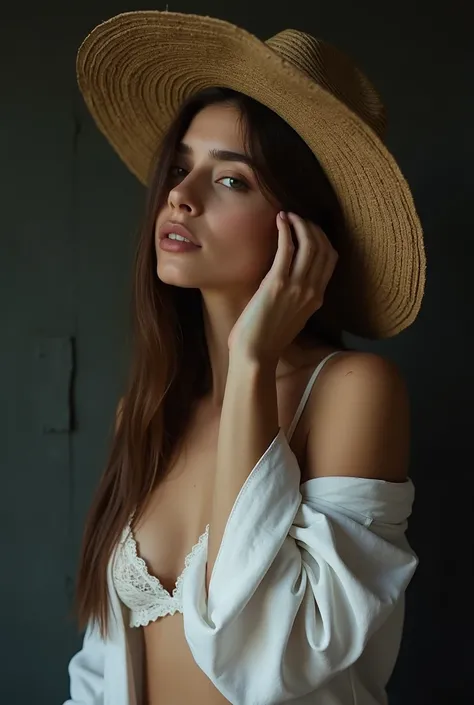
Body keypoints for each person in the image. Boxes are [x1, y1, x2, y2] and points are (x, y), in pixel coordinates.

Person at [63, 9, 426, 705]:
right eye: (180, 167)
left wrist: (253, 358)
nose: (179, 196)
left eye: (231, 180)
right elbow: (99, 665)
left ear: (303, 228)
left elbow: (280, 657)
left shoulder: (352, 390)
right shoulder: (144, 412)